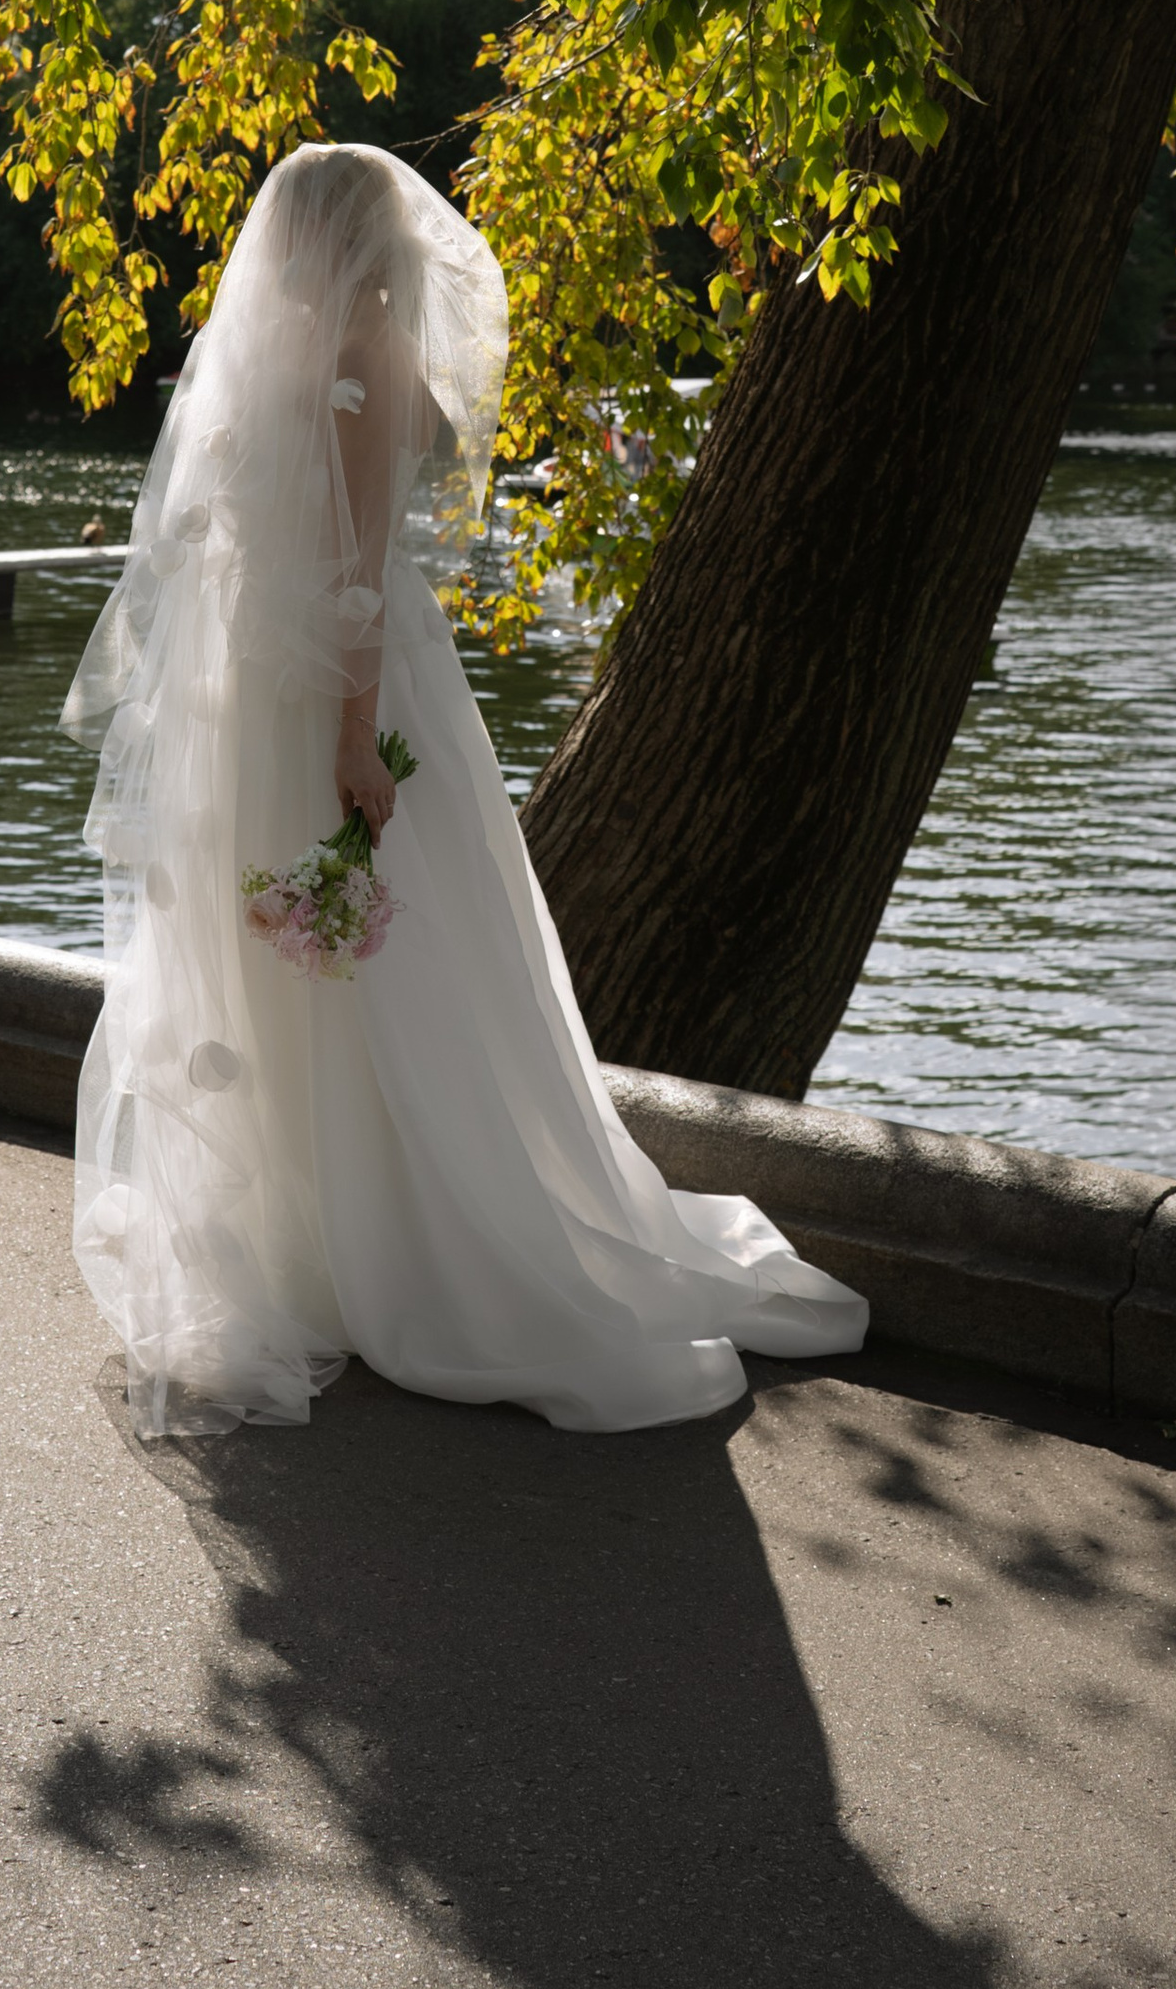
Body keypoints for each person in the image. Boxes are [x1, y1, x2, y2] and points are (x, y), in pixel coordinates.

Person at [64, 141, 868, 1439]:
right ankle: (351, 1241)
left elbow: (285, 562)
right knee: (352, 964)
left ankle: (332, 1239)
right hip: (330, 697)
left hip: (267, 703)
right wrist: (351, 737)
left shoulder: (283, 362)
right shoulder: (366, 360)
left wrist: (310, 726)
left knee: (332, 968)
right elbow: (359, 579)